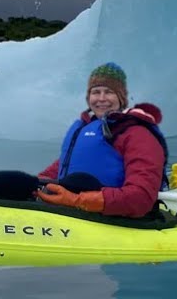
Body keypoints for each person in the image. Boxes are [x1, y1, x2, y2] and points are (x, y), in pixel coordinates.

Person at [32, 62, 169, 218]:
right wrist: (34, 184)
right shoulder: (84, 129)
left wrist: (77, 200)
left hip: (116, 219)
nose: (101, 98)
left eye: (109, 92)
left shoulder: (138, 134)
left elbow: (141, 196)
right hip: (72, 211)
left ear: (121, 97)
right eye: (96, 92)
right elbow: (62, 166)